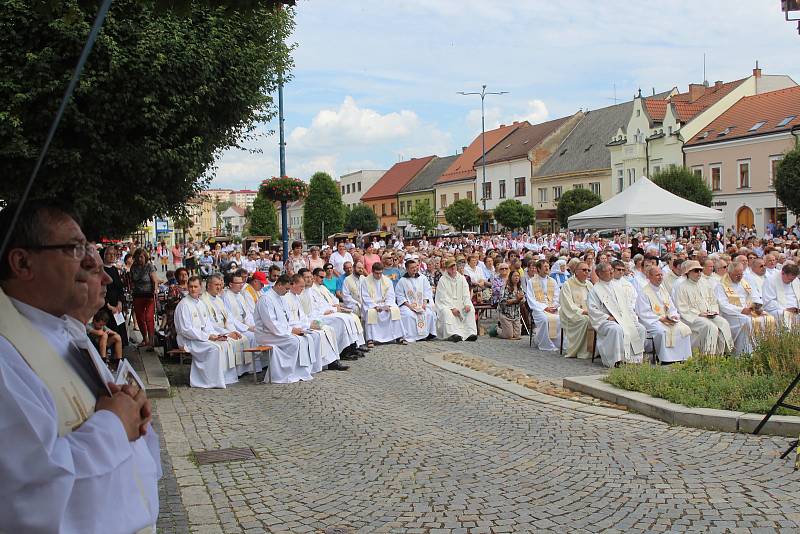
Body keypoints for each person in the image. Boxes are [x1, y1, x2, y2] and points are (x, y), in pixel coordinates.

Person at [0, 202, 159, 532]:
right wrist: (115, 424)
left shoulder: (63, 330)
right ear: (22, 262)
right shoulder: (7, 356)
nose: (91, 262)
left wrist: (131, 407)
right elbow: (28, 496)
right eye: (74, 248)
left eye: (87, 246)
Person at [174, 276, 240, 388]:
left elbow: (207, 324)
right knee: (214, 348)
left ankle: (225, 378)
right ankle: (208, 381)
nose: (193, 289)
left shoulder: (200, 303)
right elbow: (186, 330)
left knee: (225, 343)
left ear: (201, 288)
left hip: (201, 337)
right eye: (191, 287)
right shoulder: (184, 305)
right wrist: (208, 337)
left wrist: (216, 335)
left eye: (196, 286)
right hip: (188, 340)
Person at [253, 275, 315, 383]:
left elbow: (287, 319)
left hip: (278, 332)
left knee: (304, 338)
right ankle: (282, 374)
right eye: (286, 288)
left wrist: (294, 329)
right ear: (279, 284)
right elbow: (271, 322)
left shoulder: (281, 298)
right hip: (266, 334)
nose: (287, 291)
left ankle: (297, 371)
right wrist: (290, 331)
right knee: (294, 341)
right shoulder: (266, 299)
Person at [284, 274, 347, 372]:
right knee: (318, 334)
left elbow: (302, 315)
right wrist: (308, 325)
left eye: (303, 286)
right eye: (301, 286)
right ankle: (320, 364)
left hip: (305, 323)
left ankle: (332, 361)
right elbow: (290, 320)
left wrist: (310, 323)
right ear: (293, 285)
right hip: (296, 328)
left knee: (327, 329)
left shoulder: (295, 297)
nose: (302, 289)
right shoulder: (286, 298)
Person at [588, 262, 647, 367]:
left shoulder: (617, 287)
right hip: (606, 321)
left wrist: (630, 316)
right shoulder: (595, 290)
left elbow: (626, 305)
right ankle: (616, 360)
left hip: (622, 318)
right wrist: (608, 317)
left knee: (640, 328)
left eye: (611, 269)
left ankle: (634, 359)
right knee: (617, 330)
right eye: (608, 270)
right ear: (600, 273)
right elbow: (593, 310)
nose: (611, 272)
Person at [201, 273, 258, 376]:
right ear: (209, 285)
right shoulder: (203, 301)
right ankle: (227, 375)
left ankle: (241, 371)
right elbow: (211, 324)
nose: (219, 287)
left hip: (228, 329)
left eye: (220, 284)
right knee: (234, 340)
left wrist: (233, 331)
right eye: (216, 285)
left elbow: (228, 319)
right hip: (216, 332)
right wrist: (228, 333)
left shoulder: (218, 299)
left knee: (243, 338)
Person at [635, 265, 693, 364]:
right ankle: (666, 359)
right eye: (657, 275)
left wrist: (673, 315)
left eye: (661, 275)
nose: (660, 277)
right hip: (653, 321)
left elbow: (671, 306)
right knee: (662, 331)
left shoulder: (662, 289)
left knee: (684, 329)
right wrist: (661, 319)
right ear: (649, 277)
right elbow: (643, 313)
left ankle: (683, 357)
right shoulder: (644, 292)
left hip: (668, 319)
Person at [715, 262, 775, 355]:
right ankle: (744, 352)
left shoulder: (745, 282)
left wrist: (757, 306)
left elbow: (755, 296)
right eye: (736, 275)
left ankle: (763, 351)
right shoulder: (721, 285)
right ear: (729, 273)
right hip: (732, 314)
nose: (739, 277)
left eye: (741, 274)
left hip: (749, 310)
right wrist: (741, 310)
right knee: (747, 321)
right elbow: (723, 305)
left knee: (768, 318)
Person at [360, 262, 405, 347]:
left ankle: (398, 336)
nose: (379, 275)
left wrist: (388, 305)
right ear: (372, 272)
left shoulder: (387, 280)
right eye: (377, 273)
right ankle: (370, 339)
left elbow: (391, 294)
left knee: (395, 310)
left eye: (380, 273)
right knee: (371, 312)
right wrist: (375, 306)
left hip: (385, 303)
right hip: (372, 304)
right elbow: (365, 296)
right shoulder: (365, 281)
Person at [434, 258, 478, 342]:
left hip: (460, 302)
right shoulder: (442, 280)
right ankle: (452, 334)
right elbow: (442, 297)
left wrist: (467, 304)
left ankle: (470, 333)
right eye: (450, 266)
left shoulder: (461, 278)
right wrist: (452, 308)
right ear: (447, 268)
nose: (453, 268)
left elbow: (466, 293)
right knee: (446, 312)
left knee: (470, 309)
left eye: (454, 265)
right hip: (447, 304)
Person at [395, 258, 437, 342]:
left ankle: (428, 334)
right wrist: (410, 306)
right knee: (408, 315)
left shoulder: (423, 278)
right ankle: (411, 335)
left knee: (429, 313)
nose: (415, 269)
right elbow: (400, 296)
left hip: (421, 303)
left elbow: (427, 291)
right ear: (407, 269)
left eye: (416, 267)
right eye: (412, 268)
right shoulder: (402, 281)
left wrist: (424, 304)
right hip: (408, 305)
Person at [559, 262, 594, 359]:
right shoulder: (568, 284)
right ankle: (582, 351)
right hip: (571, 315)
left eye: (588, 270)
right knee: (586, 320)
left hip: (588, 313)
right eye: (583, 270)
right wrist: (583, 312)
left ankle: (594, 350)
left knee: (598, 320)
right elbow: (567, 304)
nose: (586, 272)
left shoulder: (589, 284)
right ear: (576, 272)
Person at [525, 259, 561, 351]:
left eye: (548, 266)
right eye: (544, 266)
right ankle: (545, 344)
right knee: (544, 319)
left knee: (560, 318)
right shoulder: (531, 282)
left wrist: (554, 306)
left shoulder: (552, 281)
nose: (547, 268)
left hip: (552, 307)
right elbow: (531, 299)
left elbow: (557, 296)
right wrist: (544, 308)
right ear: (538, 269)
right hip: (539, 309)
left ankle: (557, 343)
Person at [130, 248, 160, 351]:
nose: (139, 259)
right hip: (137, 295)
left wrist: (155, 290)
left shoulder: (149, 266)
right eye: (138, 257)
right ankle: (145, 339)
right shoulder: (133, 267)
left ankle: (151, 341)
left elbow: (155, 280)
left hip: (149, 295)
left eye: (141, 256)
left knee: (149, 317)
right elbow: (132, 280)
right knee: (140, 318)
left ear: (145, 257)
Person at [102, 245, 129, 347]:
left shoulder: (114, 269)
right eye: (110, 254)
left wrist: (120, 302)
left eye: (114, 254)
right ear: (104, 255)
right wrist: (108, 305)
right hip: (106, 305)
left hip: (117, 304)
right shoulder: (102, 270)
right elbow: (102, 289)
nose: (112, 256)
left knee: (119, 329)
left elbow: (119, 288)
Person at [762, 262, 800, 329]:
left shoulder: (795, 280)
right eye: (789, 279)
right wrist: (786, 309)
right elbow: (768, 302)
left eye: (792, 280)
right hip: (778, 310)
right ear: (782, 273)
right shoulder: (771, 280)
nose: (791, 281)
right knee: (785, 315)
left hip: (796, 309)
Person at [498, 270, 525, 340]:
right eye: (515, 276)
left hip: (516, 314)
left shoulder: (520, 288)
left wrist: (521, 299)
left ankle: (507, 329)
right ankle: (497, 330)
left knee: (517, 336)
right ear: (510, 277)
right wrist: (516, 300)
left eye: (518, 276)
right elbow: (503, 302)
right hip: (506, 314)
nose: (517, 277)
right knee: (509, 336)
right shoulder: (505, 287)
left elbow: (523, 300)